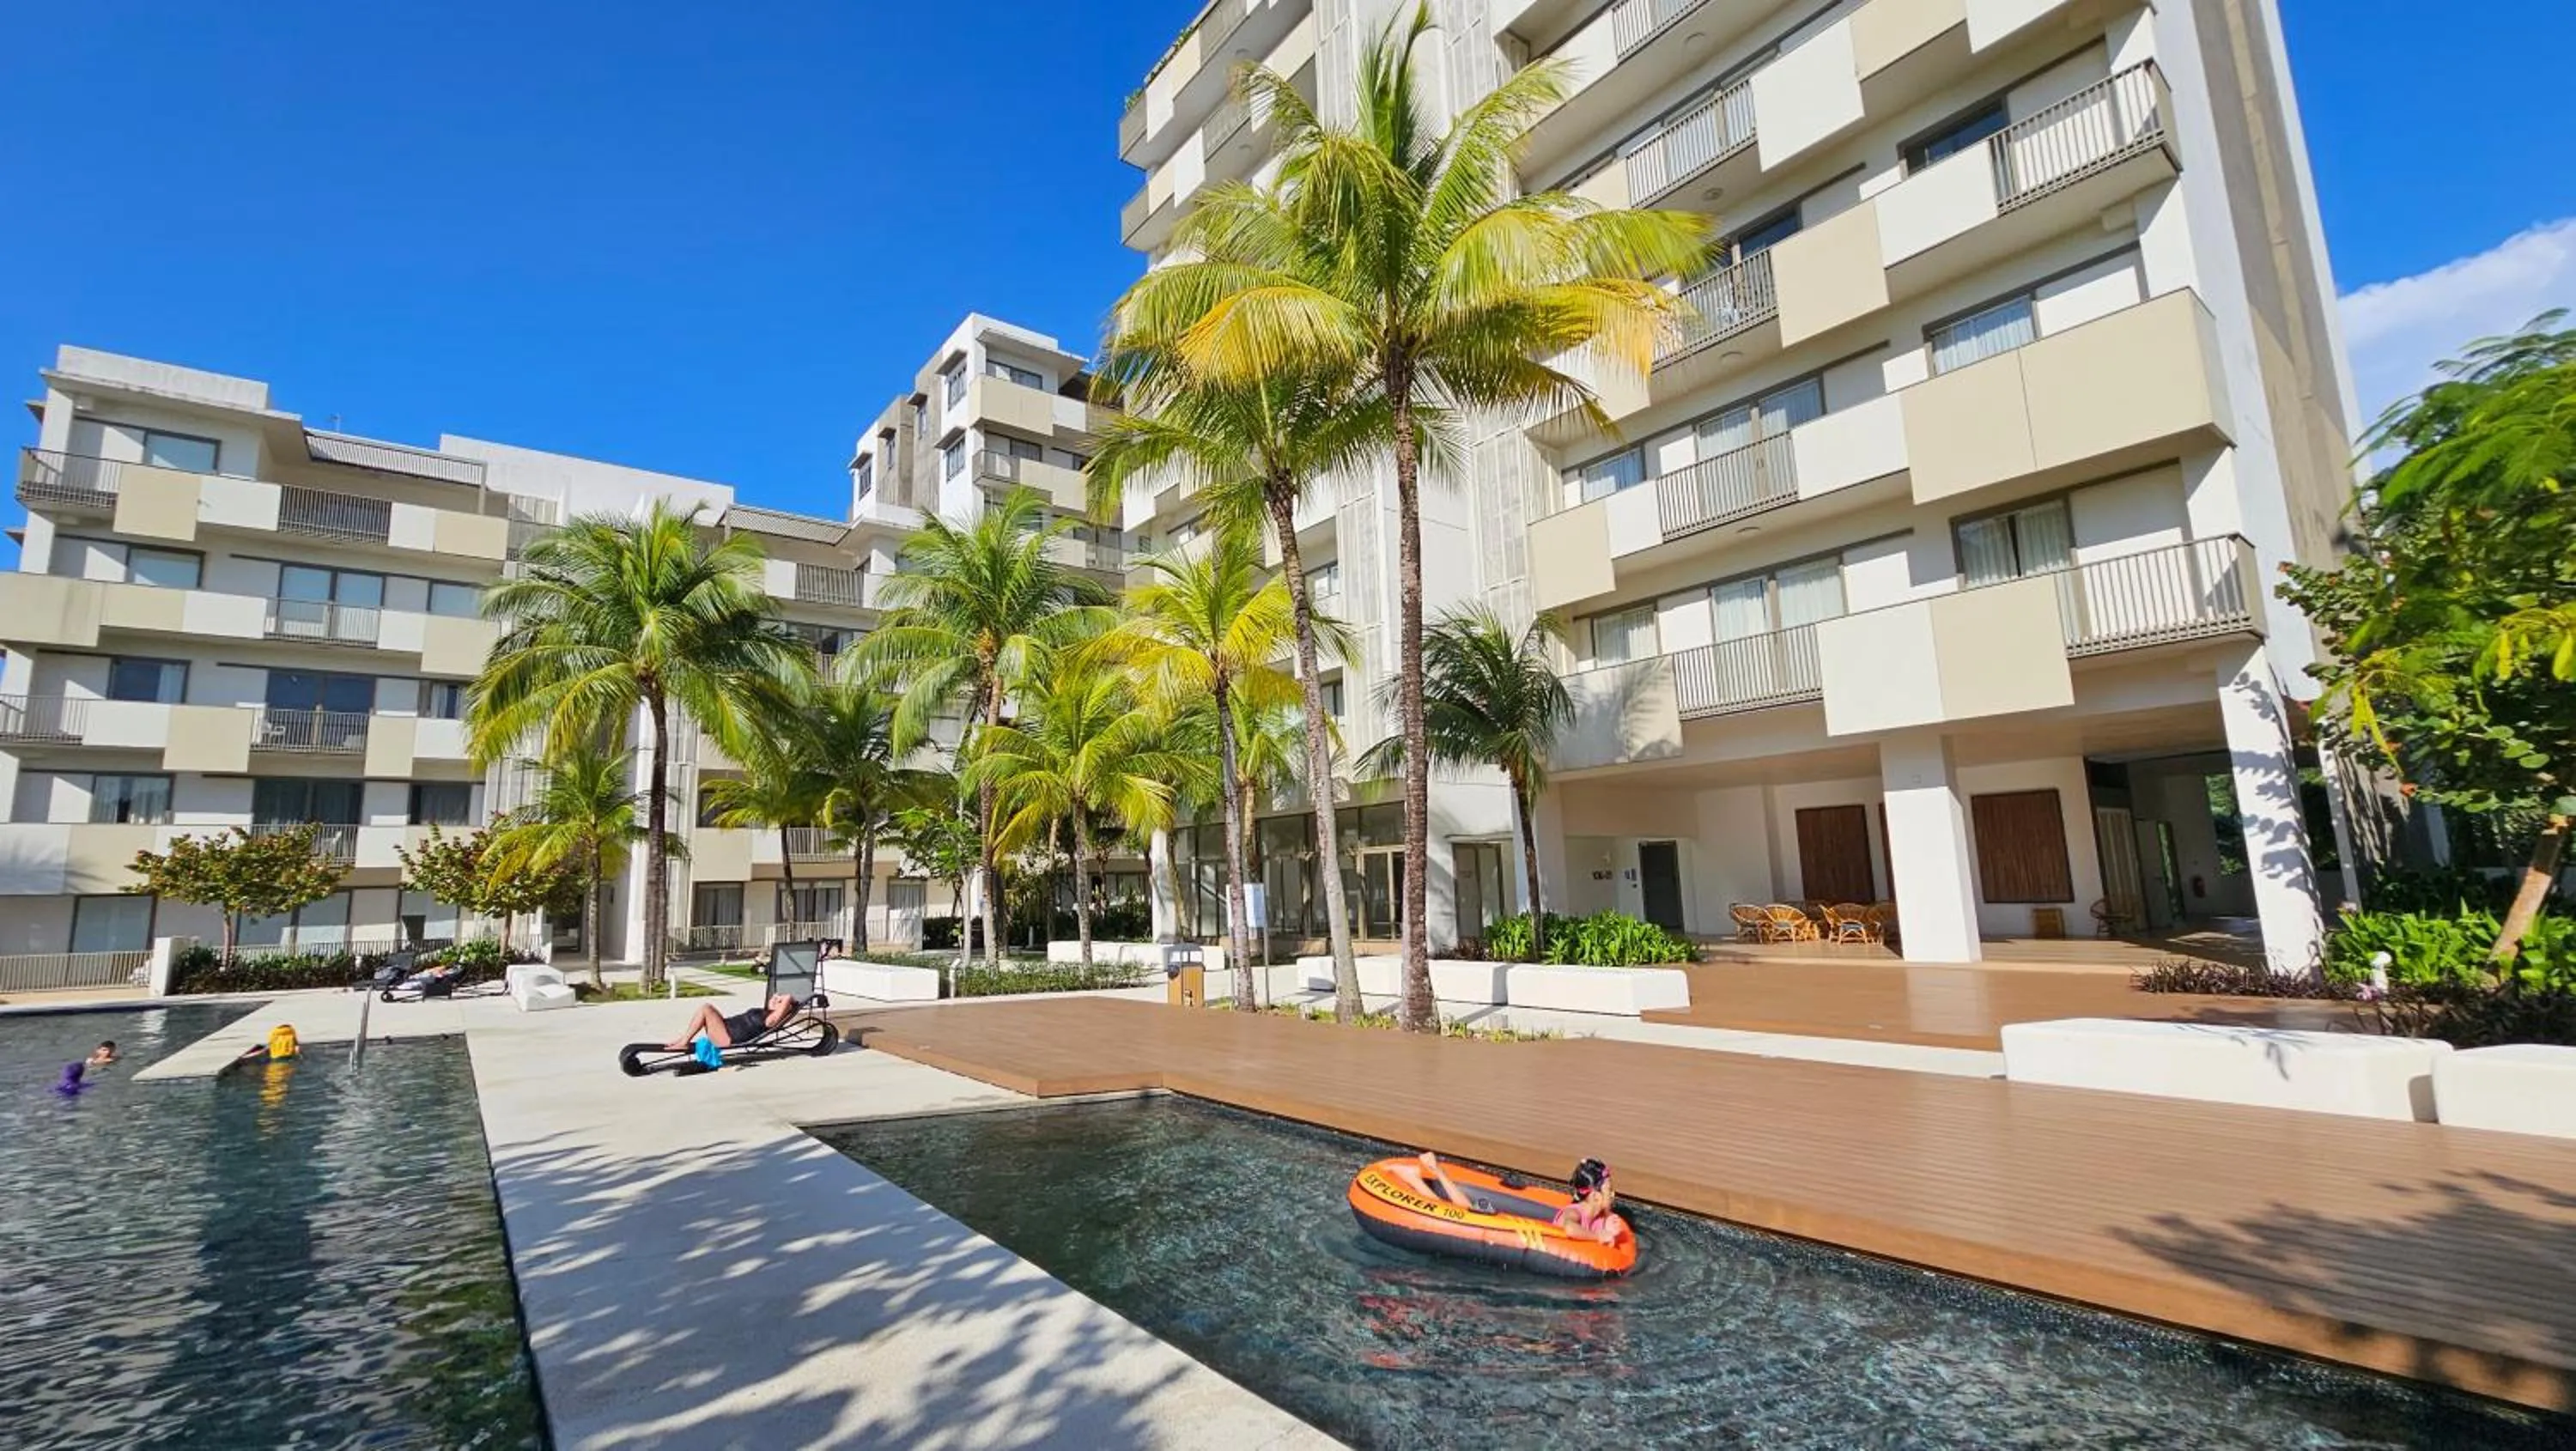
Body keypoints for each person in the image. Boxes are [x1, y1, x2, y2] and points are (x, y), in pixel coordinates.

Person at [661, 993, 797, 1055]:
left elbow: (788, 997)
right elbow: (774, 997)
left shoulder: (771, 1020)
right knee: (706, 1009)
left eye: (781, 1003)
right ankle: (682, 1040)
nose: (777, 1002)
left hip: (728, 1037)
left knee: (706, 1008)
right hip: (726, 1029)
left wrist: (788, 1000)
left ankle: (684, 1041)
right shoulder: (767, 1012)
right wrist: (777, 999)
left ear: (784, 1009)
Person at [1553, 1158, 1619, 1244]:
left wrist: (1609, 1227)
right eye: (1609, 1190)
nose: (1613, 1194)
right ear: (1595, 1196)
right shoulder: (1574, 1212)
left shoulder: (1598, 1218)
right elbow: (1569, 1229)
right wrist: (1598, 1236)